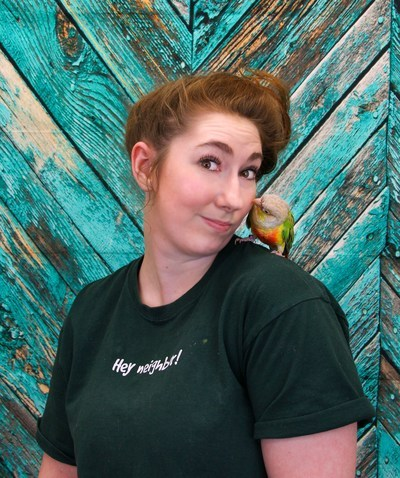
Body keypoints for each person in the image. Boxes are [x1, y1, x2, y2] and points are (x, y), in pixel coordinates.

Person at [36, 71, 375, 477]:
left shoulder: (284, 306)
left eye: (248, 172)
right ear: (145, 166)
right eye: (210, 162)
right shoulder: (92, 311)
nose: (233, 198)